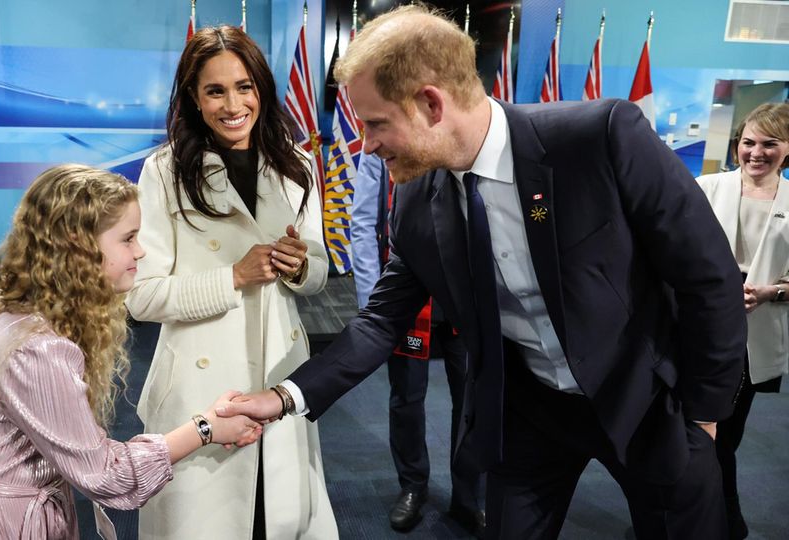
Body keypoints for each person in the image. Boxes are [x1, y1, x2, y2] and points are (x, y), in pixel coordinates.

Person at [219, 6, 747, 540]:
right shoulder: (416, 203)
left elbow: (707, 277)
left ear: (431, 102)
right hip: (530, 417)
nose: (369, 146)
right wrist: (283, 397)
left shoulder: (599, 138)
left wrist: (704, 414)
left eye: (376, 124)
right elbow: (380, 321)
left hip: (647, 403)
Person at [0, 164, 263, 538]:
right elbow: (106, 475)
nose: (141, 250)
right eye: (128, 238)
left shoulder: (21, 317)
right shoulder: (39, 349)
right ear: (77, 243)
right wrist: (205, 428)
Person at [125, 25, 337, 540]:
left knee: (276, 518)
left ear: (261, 89)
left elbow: (318, 270)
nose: (232, 104)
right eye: (214, 90)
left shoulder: (297, 163)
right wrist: (234, 277)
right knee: (208, 522)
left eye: (244, 86)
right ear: (194, 99)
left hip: (278, 372)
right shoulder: (164, 171)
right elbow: (141, 296)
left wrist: (300, 265)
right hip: (201, 390)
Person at [351, 151, 483, 532]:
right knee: (407, 397)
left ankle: (469, 494)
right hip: (409, 294)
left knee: (472, 397)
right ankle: (412, 487)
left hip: (464, 294)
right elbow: (363, 223)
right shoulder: (387, 142)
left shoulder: (462, 139)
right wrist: (374, 304)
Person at [695, 102, 789, 539]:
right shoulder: (704, 186)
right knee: (689, 436)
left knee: (723, 439)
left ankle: (723, 525)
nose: (756, 152)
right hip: (696, 333)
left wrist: (775, 291)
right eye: (748, 142)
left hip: (753, 340)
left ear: (787, 149)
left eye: (769, 143)